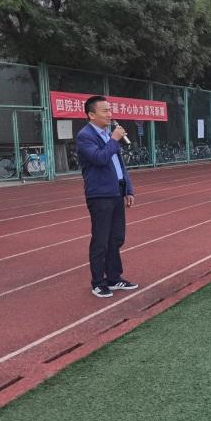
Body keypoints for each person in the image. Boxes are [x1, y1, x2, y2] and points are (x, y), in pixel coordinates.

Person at [77, 95, 139, 298]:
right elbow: (100, 159)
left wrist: (128, 189)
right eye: (105, 111)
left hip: (116, 192)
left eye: (110, 110)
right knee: (101, 240)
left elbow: (119, 165)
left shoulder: (107, 135)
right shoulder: (85, 136)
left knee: (116, 238)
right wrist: (114, 139)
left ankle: (113, 278)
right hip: (100, 195)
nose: (109, 114)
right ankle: (98, 282)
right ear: (91, 114)